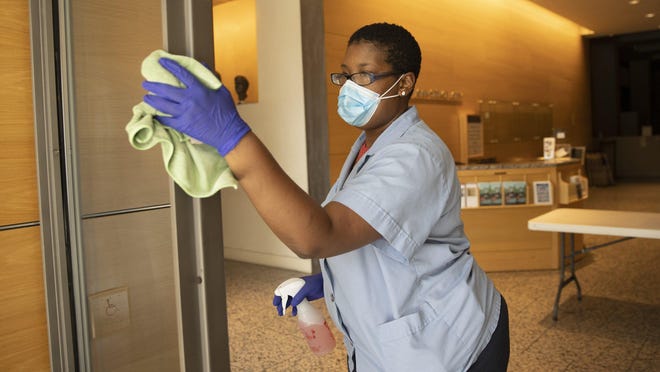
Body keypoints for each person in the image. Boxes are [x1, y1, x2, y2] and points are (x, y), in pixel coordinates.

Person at [142, 22, 509, 372]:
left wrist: (232, 137)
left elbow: (318, 234)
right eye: (345, 75)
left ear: (404, 82)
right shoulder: (372, 144)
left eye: (364, 74)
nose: (350, 86)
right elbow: (366, 227)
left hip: (455, 343)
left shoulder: (414, 154)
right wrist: (333, 279)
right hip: (399, 336)